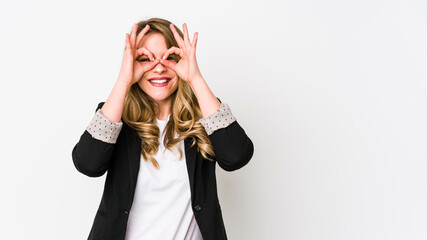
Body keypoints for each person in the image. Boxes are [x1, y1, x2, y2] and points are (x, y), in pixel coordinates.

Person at [72, 17, 254, 240]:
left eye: (170, 58)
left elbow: (237, 156)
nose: (158, 68)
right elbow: (88, 164)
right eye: (145, 59)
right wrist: (124, 80)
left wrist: (195, 78)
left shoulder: (204, 116)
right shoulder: (116, 117)